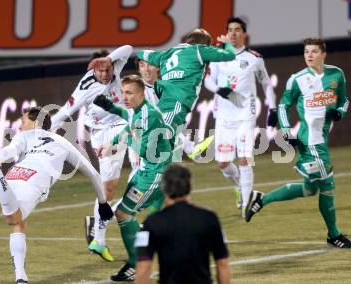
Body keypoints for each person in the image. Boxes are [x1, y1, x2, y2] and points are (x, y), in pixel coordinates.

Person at [0, 107, 114, 283]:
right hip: (36, 177)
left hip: (14, 175)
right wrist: (102, 202)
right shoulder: (62, 141)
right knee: (15, 219)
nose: (20, 125)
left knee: (18, 223)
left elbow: (9, 151)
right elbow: (93, 173)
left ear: (36, 122)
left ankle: (21, 277)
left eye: (23, 121)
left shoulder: (23, 137)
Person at [246, 38, 351, 248]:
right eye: (306, 52)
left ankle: (261, 199)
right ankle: (334, 235)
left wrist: (338, 113)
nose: (309, 55)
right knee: (328, 186)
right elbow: (284, 106)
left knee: (310, 189)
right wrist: (286, 131)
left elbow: (344, 100)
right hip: (310, 142)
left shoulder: (336, 74)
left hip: (321, 139)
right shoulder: (297, 79)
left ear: (324, 54)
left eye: (314, 51)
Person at [51, 45, 133, 261]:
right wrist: (41, 132)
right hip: (104, 133)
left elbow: (128, 48)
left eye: (107, 69)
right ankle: (99, 237)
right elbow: (64, 112)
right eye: (100, 71)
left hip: (125, 124)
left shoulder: (115, 66)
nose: (105, 75)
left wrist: (108, 58)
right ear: (93, 71)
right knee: (108, 187)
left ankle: (98, 232)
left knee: (141, 174)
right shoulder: (85, 85)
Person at [94, 75, 173, 281]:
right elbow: (128, 122)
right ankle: (139, 257)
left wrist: (123, 139)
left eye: (129, 93)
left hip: (155, 173)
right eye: (123, 92)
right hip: (145, 172)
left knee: (123, 213)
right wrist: (110, 138)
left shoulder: (149, 116)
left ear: (141, 94)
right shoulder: (138, 111)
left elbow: (143, 148)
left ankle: (136, 262)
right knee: (125, 215)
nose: (124, 97)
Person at [198, 17, 277, 216]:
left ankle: (248, 204)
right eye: (230, 30)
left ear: (244, 34)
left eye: (237, 30)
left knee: (244, 158)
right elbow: (208, 81)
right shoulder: (218, 56)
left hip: (245, 114)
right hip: (224, 116)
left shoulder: (254, 58)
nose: (233, 33)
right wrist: (219, 90)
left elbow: (266, 84)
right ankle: (241, 188)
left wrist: (273, 109)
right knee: (223, 163)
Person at [130, 28, 236, 159]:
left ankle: (189, 148)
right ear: (204, 44)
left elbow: (140, 53)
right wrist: (228, 44)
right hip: (177, 101)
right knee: (162, 133)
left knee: (163, 130)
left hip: (167, 100)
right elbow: (230, 55)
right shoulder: (198, 50)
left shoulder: (165, 54)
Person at [135, 163, 231, 284]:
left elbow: (144, 268)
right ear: (189, 186)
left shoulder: (151, 223)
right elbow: (222, 264)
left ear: (164, 187)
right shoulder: (209, 218)